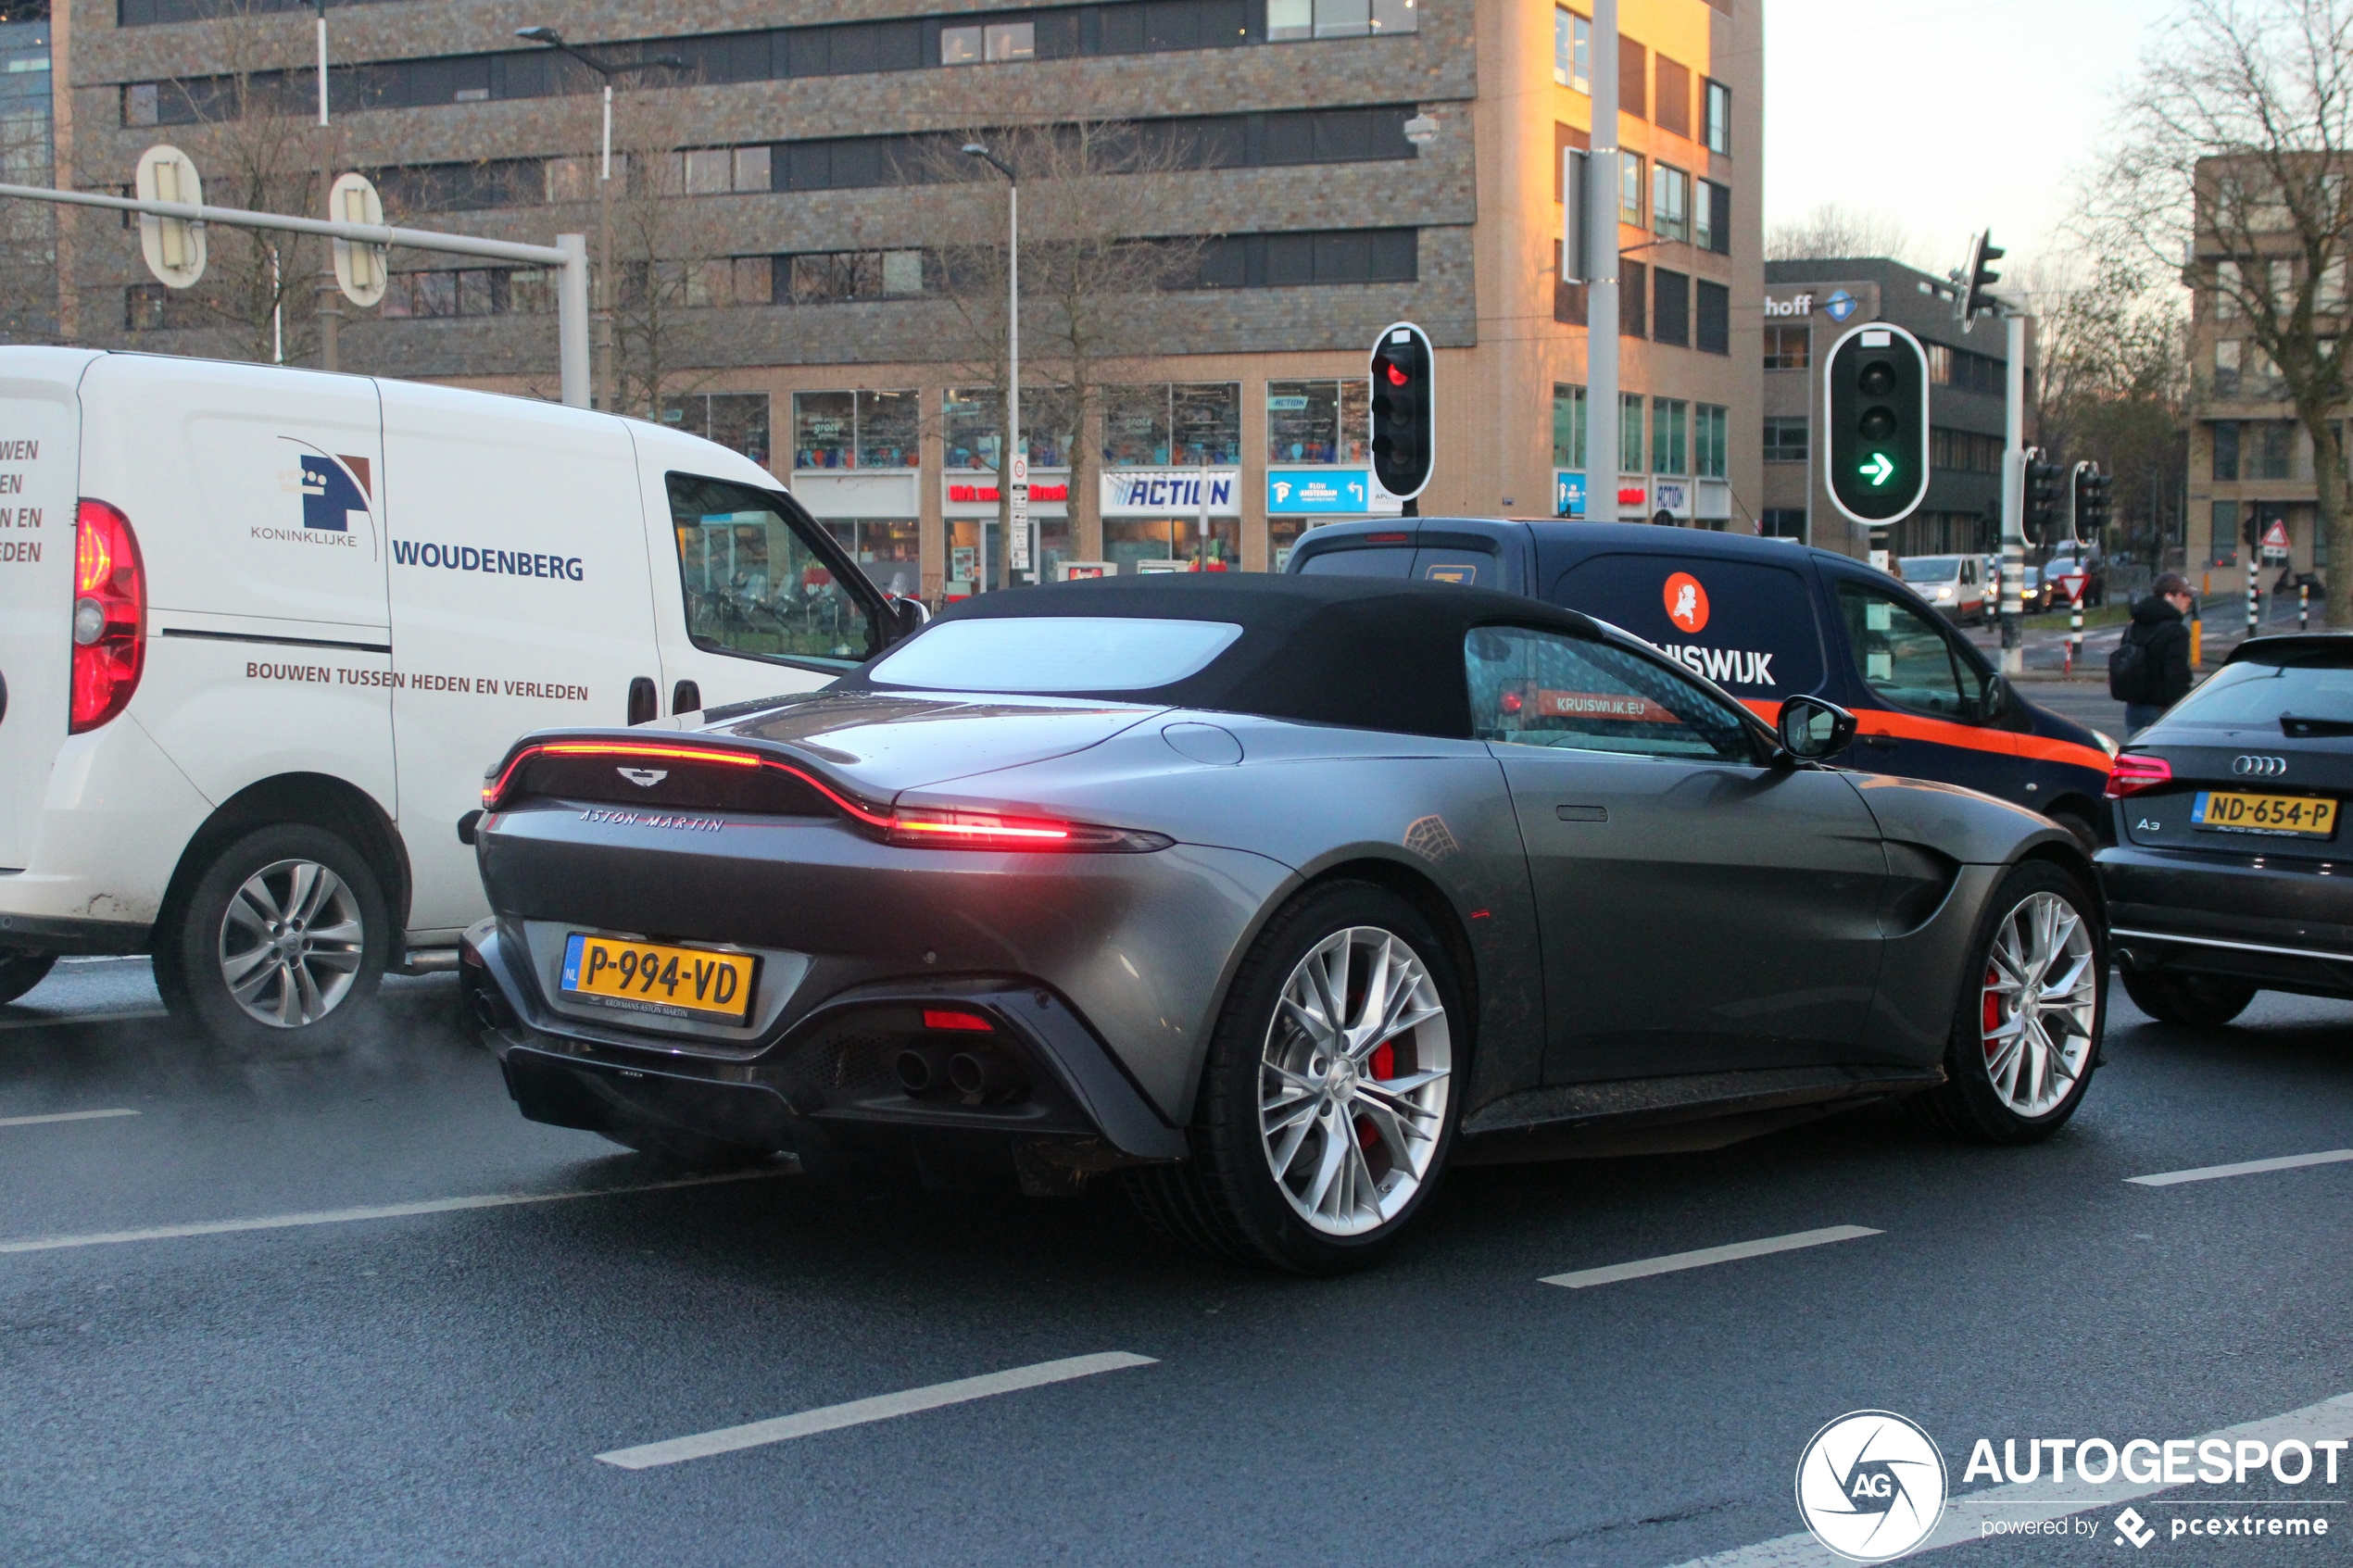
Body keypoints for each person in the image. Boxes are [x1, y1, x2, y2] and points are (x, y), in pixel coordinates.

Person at [2113, 571, 2196, 735]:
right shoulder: (2176, 632)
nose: (2189, 600)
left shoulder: (2133, 627)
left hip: (2134, 708)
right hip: (2162, 711)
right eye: (2185, 594)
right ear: (2170, 596)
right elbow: (2176, 675)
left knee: (2138, 757)